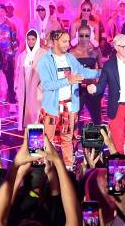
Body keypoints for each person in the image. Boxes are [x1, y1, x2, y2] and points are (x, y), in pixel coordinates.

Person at [37, 29, 99, 167]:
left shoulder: (70, 58)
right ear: (54, 42)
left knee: (67, 139)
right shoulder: (44, 61)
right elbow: (46, 85)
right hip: (52, 108)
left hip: (70, 106)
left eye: (68, 41)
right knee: (47, 139)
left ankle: (69, 168)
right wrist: (68, 81)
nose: (68, 44)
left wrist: (100, 72)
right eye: (64, 41)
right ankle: (44, 169)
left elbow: (83, 72)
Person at [70, 24, 103, 133]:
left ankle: (99, 145)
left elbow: (102, 71)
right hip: (77, 89)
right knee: (74, 118)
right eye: (81, 35)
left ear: (91, 36)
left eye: (87, 36)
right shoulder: (72, 52)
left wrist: (98, 87)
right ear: (77, 36)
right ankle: (73, 145)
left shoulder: (96, 51)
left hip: (92, 88)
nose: (84, 38)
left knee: (97, 118)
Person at [14, 29, 47, 131]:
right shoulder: (22, 55)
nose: (31, 41)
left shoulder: (44, 54)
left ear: (37, 40)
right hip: (24, 88)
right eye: (29, 39)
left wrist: (41, 86)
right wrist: (16, 87)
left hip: (38, 89)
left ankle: (39, 136)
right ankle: (30, 137)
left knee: (37, 113)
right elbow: (18, 72)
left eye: (33, 39)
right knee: (26, 113)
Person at [0, 4, 18, 109]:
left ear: (5, 12)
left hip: (8, 56)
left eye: (3, 11)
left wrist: (13, 55)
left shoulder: (11, 25)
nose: (1, 13)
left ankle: (12, 103)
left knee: (10, 80)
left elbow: (15, 41)